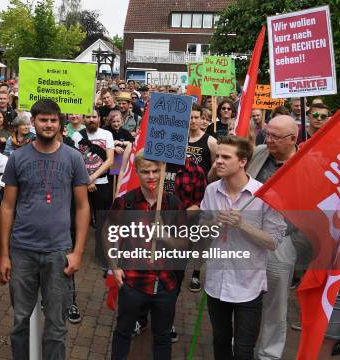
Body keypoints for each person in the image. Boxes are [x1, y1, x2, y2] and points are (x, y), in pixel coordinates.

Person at [0, 99, 90, 360]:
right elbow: (7, 207)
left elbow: (83, 207)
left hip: (59, 252)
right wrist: (4, 255)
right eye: (43, 119)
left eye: (53, 120)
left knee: (56, 324)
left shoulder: (73, 158)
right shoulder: (18, 158)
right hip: (22, 251)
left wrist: (78, 252)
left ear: (60, 123)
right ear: (33, 123)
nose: (48, 124)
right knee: (20, 321)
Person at [200, 135, 285, 359]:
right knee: (220, 342)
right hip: (216, 283)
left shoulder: (264, 195)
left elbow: (274, 240)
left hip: (248, 286)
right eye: (217, 156)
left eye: (225, 157)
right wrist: (213, 223)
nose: (218, 161)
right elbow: (201, 232)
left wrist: (243, 225)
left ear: (242, 161)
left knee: (244, 350)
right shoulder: (211, 191)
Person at [109, 154, 185, 360]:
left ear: (163, 171)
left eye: (155, 171)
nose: (151, 176)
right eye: (145, 171)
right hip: (133, 282)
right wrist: (115, 266)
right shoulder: (126, 203)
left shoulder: (174, 204)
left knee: (162, 337)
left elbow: (184, 245)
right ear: (137, 172)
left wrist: (166, 237)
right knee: (123, 332)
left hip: (165, 285)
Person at [248, 115, 299, 360]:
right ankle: (243, 344)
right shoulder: (259, 152)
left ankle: (269, 354)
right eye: (267, 134)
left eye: (275, 137)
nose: (268, 140)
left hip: (281, 242)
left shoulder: (307, 164)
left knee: (275, 305)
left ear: (293, 139)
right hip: (247, 237)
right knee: (244, 296)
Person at [71, 109, 114, 268]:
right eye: (88, 116)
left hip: (102, 183)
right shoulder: (77, 136)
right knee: (79, 218)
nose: (91, 119)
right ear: (84, 118)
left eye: (94, 116)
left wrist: (93, 177)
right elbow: (75, 160)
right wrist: (86, 181)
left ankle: (101, 253)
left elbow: (109, 161)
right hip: (81, 184)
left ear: (99, 119)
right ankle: (76, 252)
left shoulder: (107, 135)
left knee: (102, 219)